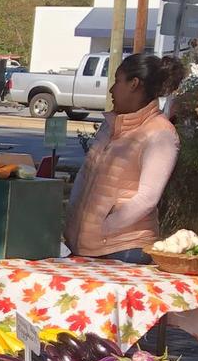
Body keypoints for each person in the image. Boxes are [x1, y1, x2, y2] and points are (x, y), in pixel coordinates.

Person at [64, 51, 186, 262]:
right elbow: (85, 174)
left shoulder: (161, 133)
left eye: (117, 81)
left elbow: (147, 198)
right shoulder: (111, 124)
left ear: (134, 84)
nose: (111, 89)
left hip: (126, 250)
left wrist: (103, 227)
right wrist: (72, 218)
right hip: (85, 246)